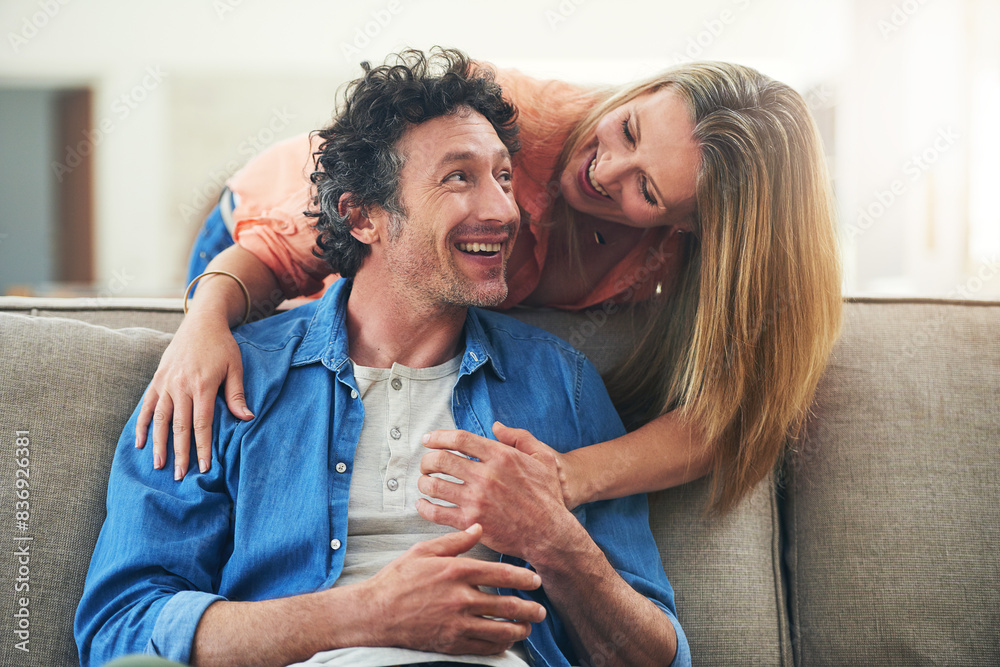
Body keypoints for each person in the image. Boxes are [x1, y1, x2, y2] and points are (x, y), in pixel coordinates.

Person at [76, 50, 689, 667]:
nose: (505, 211)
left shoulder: (563, 384)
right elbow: (119, 629)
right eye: (458, 178)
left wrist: (553, 538)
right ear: (361, 216)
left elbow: (662, 656)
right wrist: (364, 615)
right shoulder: (224, 381)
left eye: (505, 178)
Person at [143, 49, 842, 515]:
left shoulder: (688, 251)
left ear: (688, 227)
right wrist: (205, 319)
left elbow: (730, 413)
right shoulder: (507, 122)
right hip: (278, 219)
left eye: (647, 191)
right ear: (648, 88)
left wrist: (571, 476)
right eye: (626, 130)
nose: (606, 171)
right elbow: (289, 250)